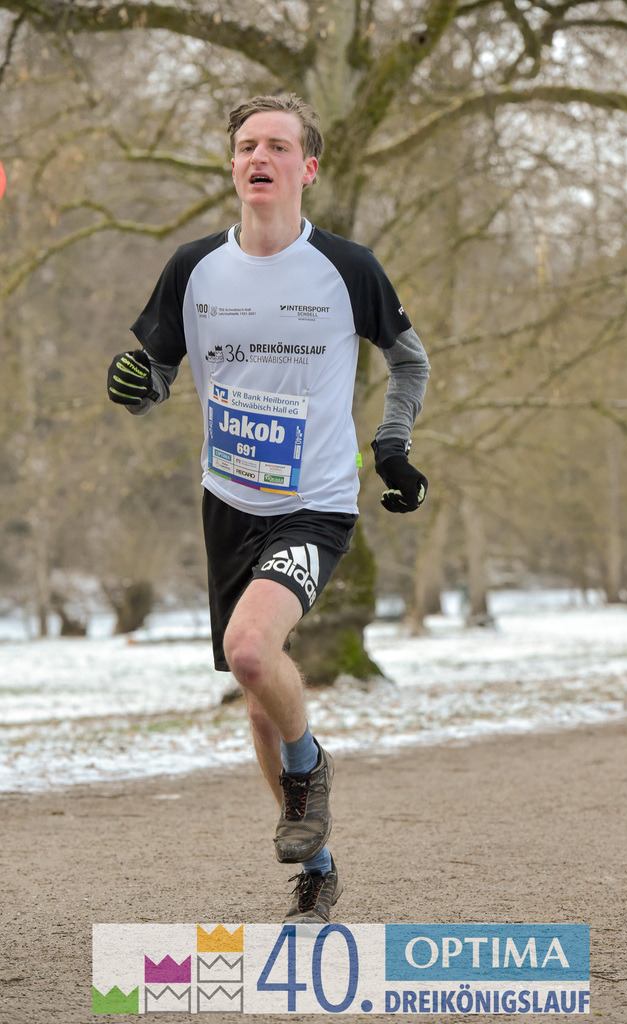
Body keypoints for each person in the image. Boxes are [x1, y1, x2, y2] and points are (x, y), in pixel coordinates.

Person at [106, 93, 429, 924]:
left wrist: (391, 447)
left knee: (251, 653)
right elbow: (155, 377)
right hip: (229, 506)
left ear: (306, 168)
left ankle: (310, 768)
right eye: (247, 144)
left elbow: (409, 362)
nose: (259, 156)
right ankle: (316, 864)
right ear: (234, 163)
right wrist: (135, 390)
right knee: (258, 699)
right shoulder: (193, 269)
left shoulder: (346, 268)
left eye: (277, 146)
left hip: (315, 505)